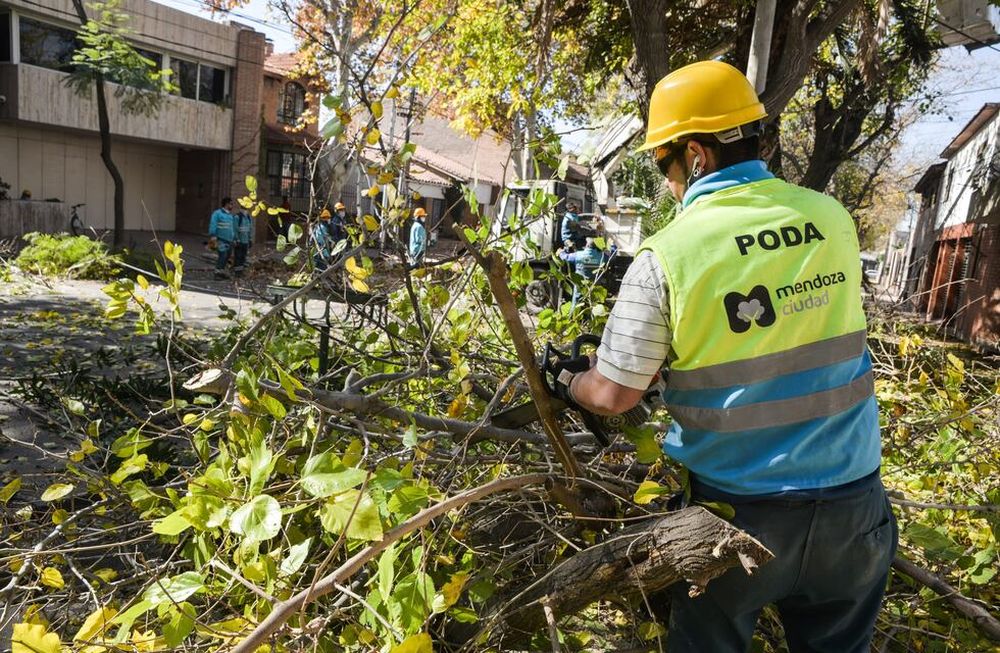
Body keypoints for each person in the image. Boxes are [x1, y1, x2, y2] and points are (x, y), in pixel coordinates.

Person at [552, 61, 895, 653]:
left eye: (664, 165)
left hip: (736, 521)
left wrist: (566, 381)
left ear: (696, 154)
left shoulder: (669, 255)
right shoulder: (831, 218)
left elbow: (612, 396)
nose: (666, 182)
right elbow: (795, 330)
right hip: (854, 508)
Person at [558, 237, 605, 309]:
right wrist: (613, 246)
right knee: (592, 304)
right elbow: (612, 257)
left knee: (576, 303)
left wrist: (561, 252)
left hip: (581, 285)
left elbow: (565, 257)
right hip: (594, 286)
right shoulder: (601, 256)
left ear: (586, 246)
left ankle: (573, 317)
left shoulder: (578, 255)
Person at [208, 197, 236, 279]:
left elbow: (231, 228)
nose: (232, 206)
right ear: (226, 204)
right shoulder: (217, 214)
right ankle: (217, 274)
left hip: (229, 240)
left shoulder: (230, 216)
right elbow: (213, 224)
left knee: (227, 256)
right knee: (222, 255)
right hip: (220, 239)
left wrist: (233, 238)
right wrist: (213, 236)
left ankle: (221, 272)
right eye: (231, 204)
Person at [233, 209, 253, 277]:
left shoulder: (248, 217)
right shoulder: (237, 217)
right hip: (239, 240)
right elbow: (235, 229)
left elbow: (250, 229)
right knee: (238, 256)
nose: (246, 210)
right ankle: (237, 272)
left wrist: (250, 239)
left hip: (245, 241)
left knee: (243, 257)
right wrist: (236, 239)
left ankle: (240, 271)